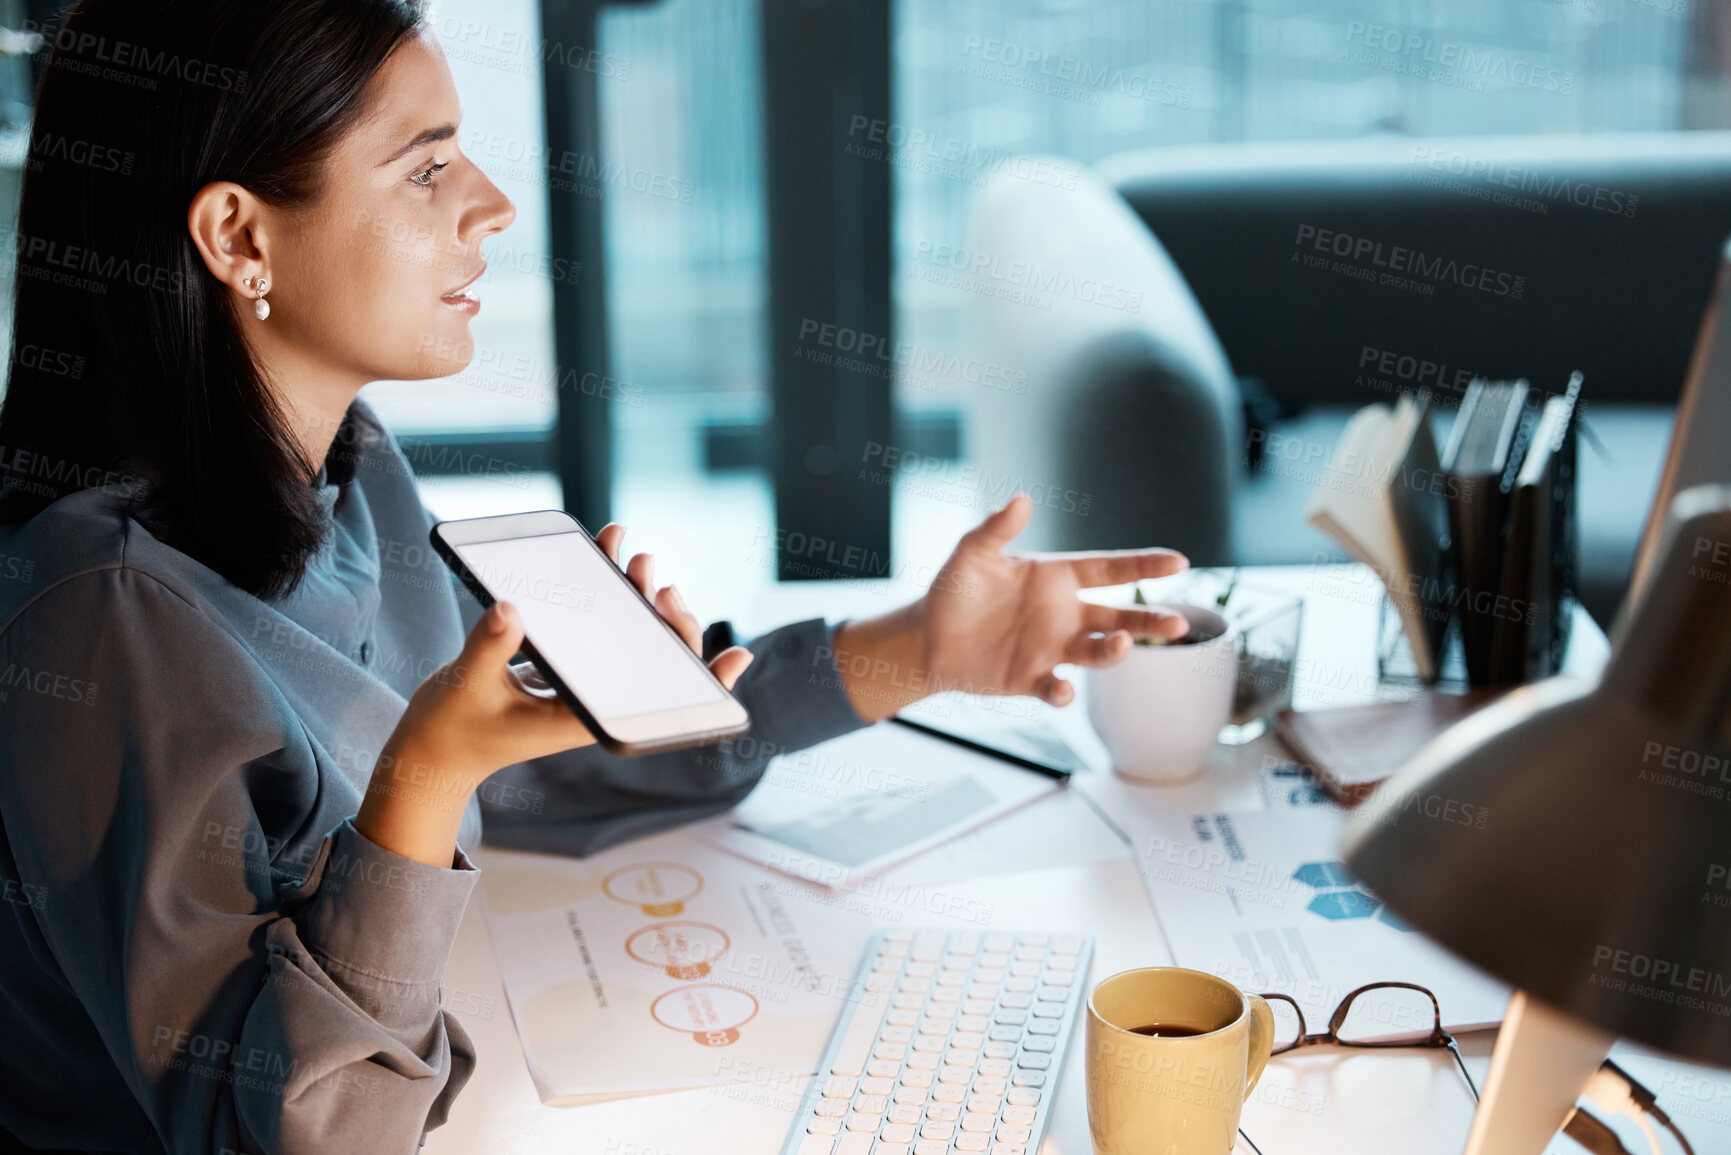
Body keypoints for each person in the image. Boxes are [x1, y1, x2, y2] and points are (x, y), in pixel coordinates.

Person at [0, 1, 1190, 1151]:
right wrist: (428, 773)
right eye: (426, 171)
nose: (494, 205)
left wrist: (921, 649)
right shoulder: (99, 624)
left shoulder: (351, 473)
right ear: (240, 237)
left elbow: (549, 769)